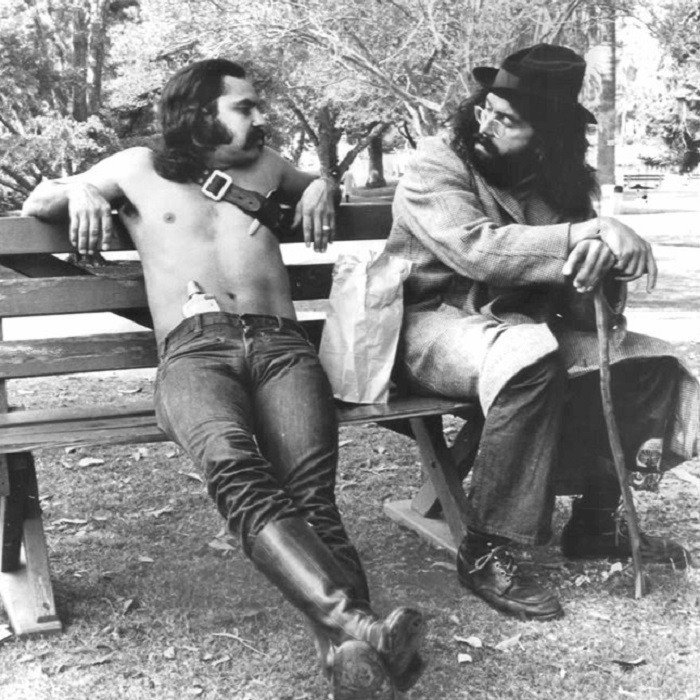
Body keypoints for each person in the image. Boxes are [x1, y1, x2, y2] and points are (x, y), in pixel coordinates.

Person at [22, 58, 424, 699]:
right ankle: (360, 628)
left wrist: (322, 186)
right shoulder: (135, 167)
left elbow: (316, 181)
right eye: (245, 106)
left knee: (312, 495)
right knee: (235, 468)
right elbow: (40, 200)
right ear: (198, 113)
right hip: (194, 353)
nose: (261, 117)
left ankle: (350, 656)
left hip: (282, 346)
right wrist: (82, 191)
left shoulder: (269, 168)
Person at [384, 44, 699, 620]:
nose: (486, 123)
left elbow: (581, 301)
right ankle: (487, 548)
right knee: (530, 356)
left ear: (549, 136)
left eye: (508, 120)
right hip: (434, 326)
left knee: (649, 362)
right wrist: (587, 233)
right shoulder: (437, 162)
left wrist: (601, 264)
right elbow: (477, 250)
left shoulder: (564, 182)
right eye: (486, 108)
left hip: (525, 329)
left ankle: (594, 521)